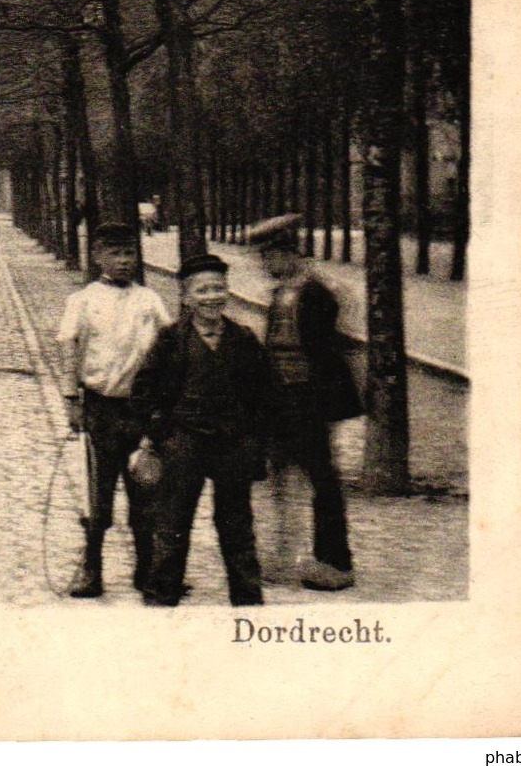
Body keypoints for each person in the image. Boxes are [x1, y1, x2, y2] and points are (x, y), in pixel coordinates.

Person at [133, 254, 271, 606]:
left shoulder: (243, 339)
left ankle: (249, 604)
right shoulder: (170, 340)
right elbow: (145, 389)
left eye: (219, 288)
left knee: (237, 528)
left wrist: (253, 442)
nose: (212, 297)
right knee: (172, 525)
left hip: (232, 444)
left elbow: (264, 395)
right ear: (187, 298)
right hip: (184, 443)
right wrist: (161, 433)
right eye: (203, 290)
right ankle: (162, 600)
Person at [55, 222, 174, 598]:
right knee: (99, 495)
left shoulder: (149, 300)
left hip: (141, 411)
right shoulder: (83, 300)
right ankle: (91, 570)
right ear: (98, 256)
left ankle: (147, 572)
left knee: (145, 494)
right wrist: (71, 400)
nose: (124, 261)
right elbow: (69, 347)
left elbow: (167, 348)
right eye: (115, 253)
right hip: (101, 410)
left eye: (129, 253)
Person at [249, 214, 360, 591]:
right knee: (278, 478)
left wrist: (321, 407)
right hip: (281, 402)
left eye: (269, 257)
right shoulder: (283, 292)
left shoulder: (314, 292)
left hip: (308, 403)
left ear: (288, 253)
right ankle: (281, 558)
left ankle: (336, 562)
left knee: (322, 481)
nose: (264, 265)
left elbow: (326, 352)